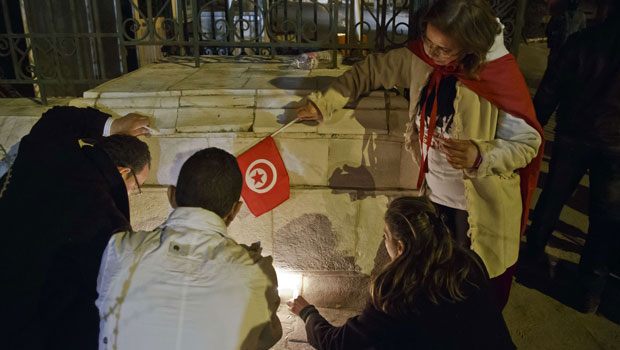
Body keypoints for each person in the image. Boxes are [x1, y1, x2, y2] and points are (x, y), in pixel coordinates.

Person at [296, 0, 543, 309]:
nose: (431, 52)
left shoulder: (498, 76)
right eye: (427, 41)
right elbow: (371, 70)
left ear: (470, 47)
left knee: (472, 295)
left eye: (443, 49)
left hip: (478, 208)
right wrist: (324, 102)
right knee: (431, 289)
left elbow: (527, 144)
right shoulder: (422, 60)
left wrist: (481, 154)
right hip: (434, 200)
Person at [96, 148, 282, 350]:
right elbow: (264, 338)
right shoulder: (257, 272)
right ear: (235, 210)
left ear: (171, 195)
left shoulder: (121, 249)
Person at [0, 106, 151, 350]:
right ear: (123, 172)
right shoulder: (110, 224)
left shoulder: (50, 153)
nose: (132, 194)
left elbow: (57, 118)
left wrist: (114, 126)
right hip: (33, 331)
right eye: (136, 186)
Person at [287, 196, 515, 350]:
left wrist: (308, 313)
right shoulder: (467, 261)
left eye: (386, 236)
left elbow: (338, 344)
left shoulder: (397, 293)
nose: (383, 242)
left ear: (401, 247)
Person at [524, 0, 620, 314]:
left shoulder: (582, 42)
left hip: (573, 136)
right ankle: (590, 291)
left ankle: (532, 254)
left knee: (553, 198)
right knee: (604, 219)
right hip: (615, 148)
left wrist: (535, 125)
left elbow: (552, 86)